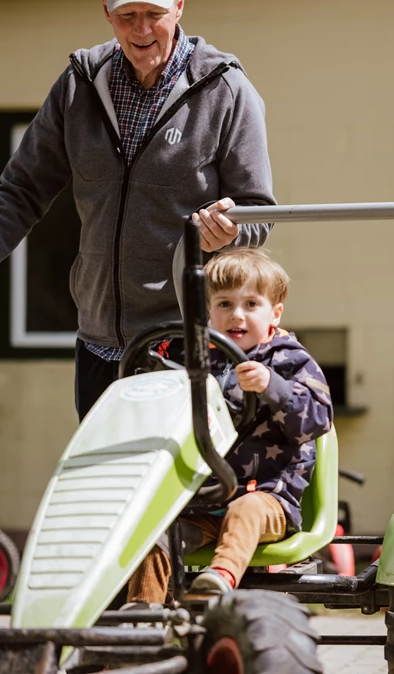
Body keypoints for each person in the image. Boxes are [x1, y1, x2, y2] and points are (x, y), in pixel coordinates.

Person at [0, 0, 276, 419]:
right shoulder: (77, 86)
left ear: (180, 4)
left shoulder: (226, 91)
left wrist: (231, 229)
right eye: (127, 14)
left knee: (175, 493)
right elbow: (22, 189)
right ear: (105, 9)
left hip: (183, 343)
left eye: (154, 12)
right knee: (103, 491)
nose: (142, 29)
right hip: (96, 347)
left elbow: (258, 210)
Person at [128, 248, 333, 601]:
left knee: (246, 508)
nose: (236, 315)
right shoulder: (195, 359)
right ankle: (140, 621)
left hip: (268, 499)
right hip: (202, 503)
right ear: (209, 311)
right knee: (155, 535)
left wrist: (273, 387)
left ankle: (219, 578)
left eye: (251, 304)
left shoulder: (290, 361)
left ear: (275, 312)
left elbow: (317, 419)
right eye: (224, 304)